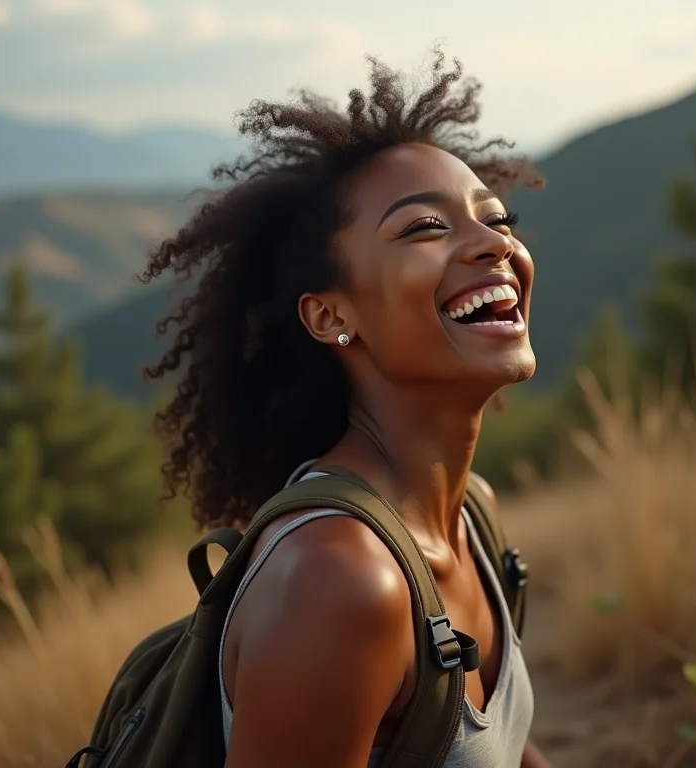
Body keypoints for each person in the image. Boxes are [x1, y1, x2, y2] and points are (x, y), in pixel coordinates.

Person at [141, 48, 552, 768]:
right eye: (424, 228)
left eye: (499, 219)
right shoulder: (339, 581)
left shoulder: (470, 516)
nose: (495, 244)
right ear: (331, 316)